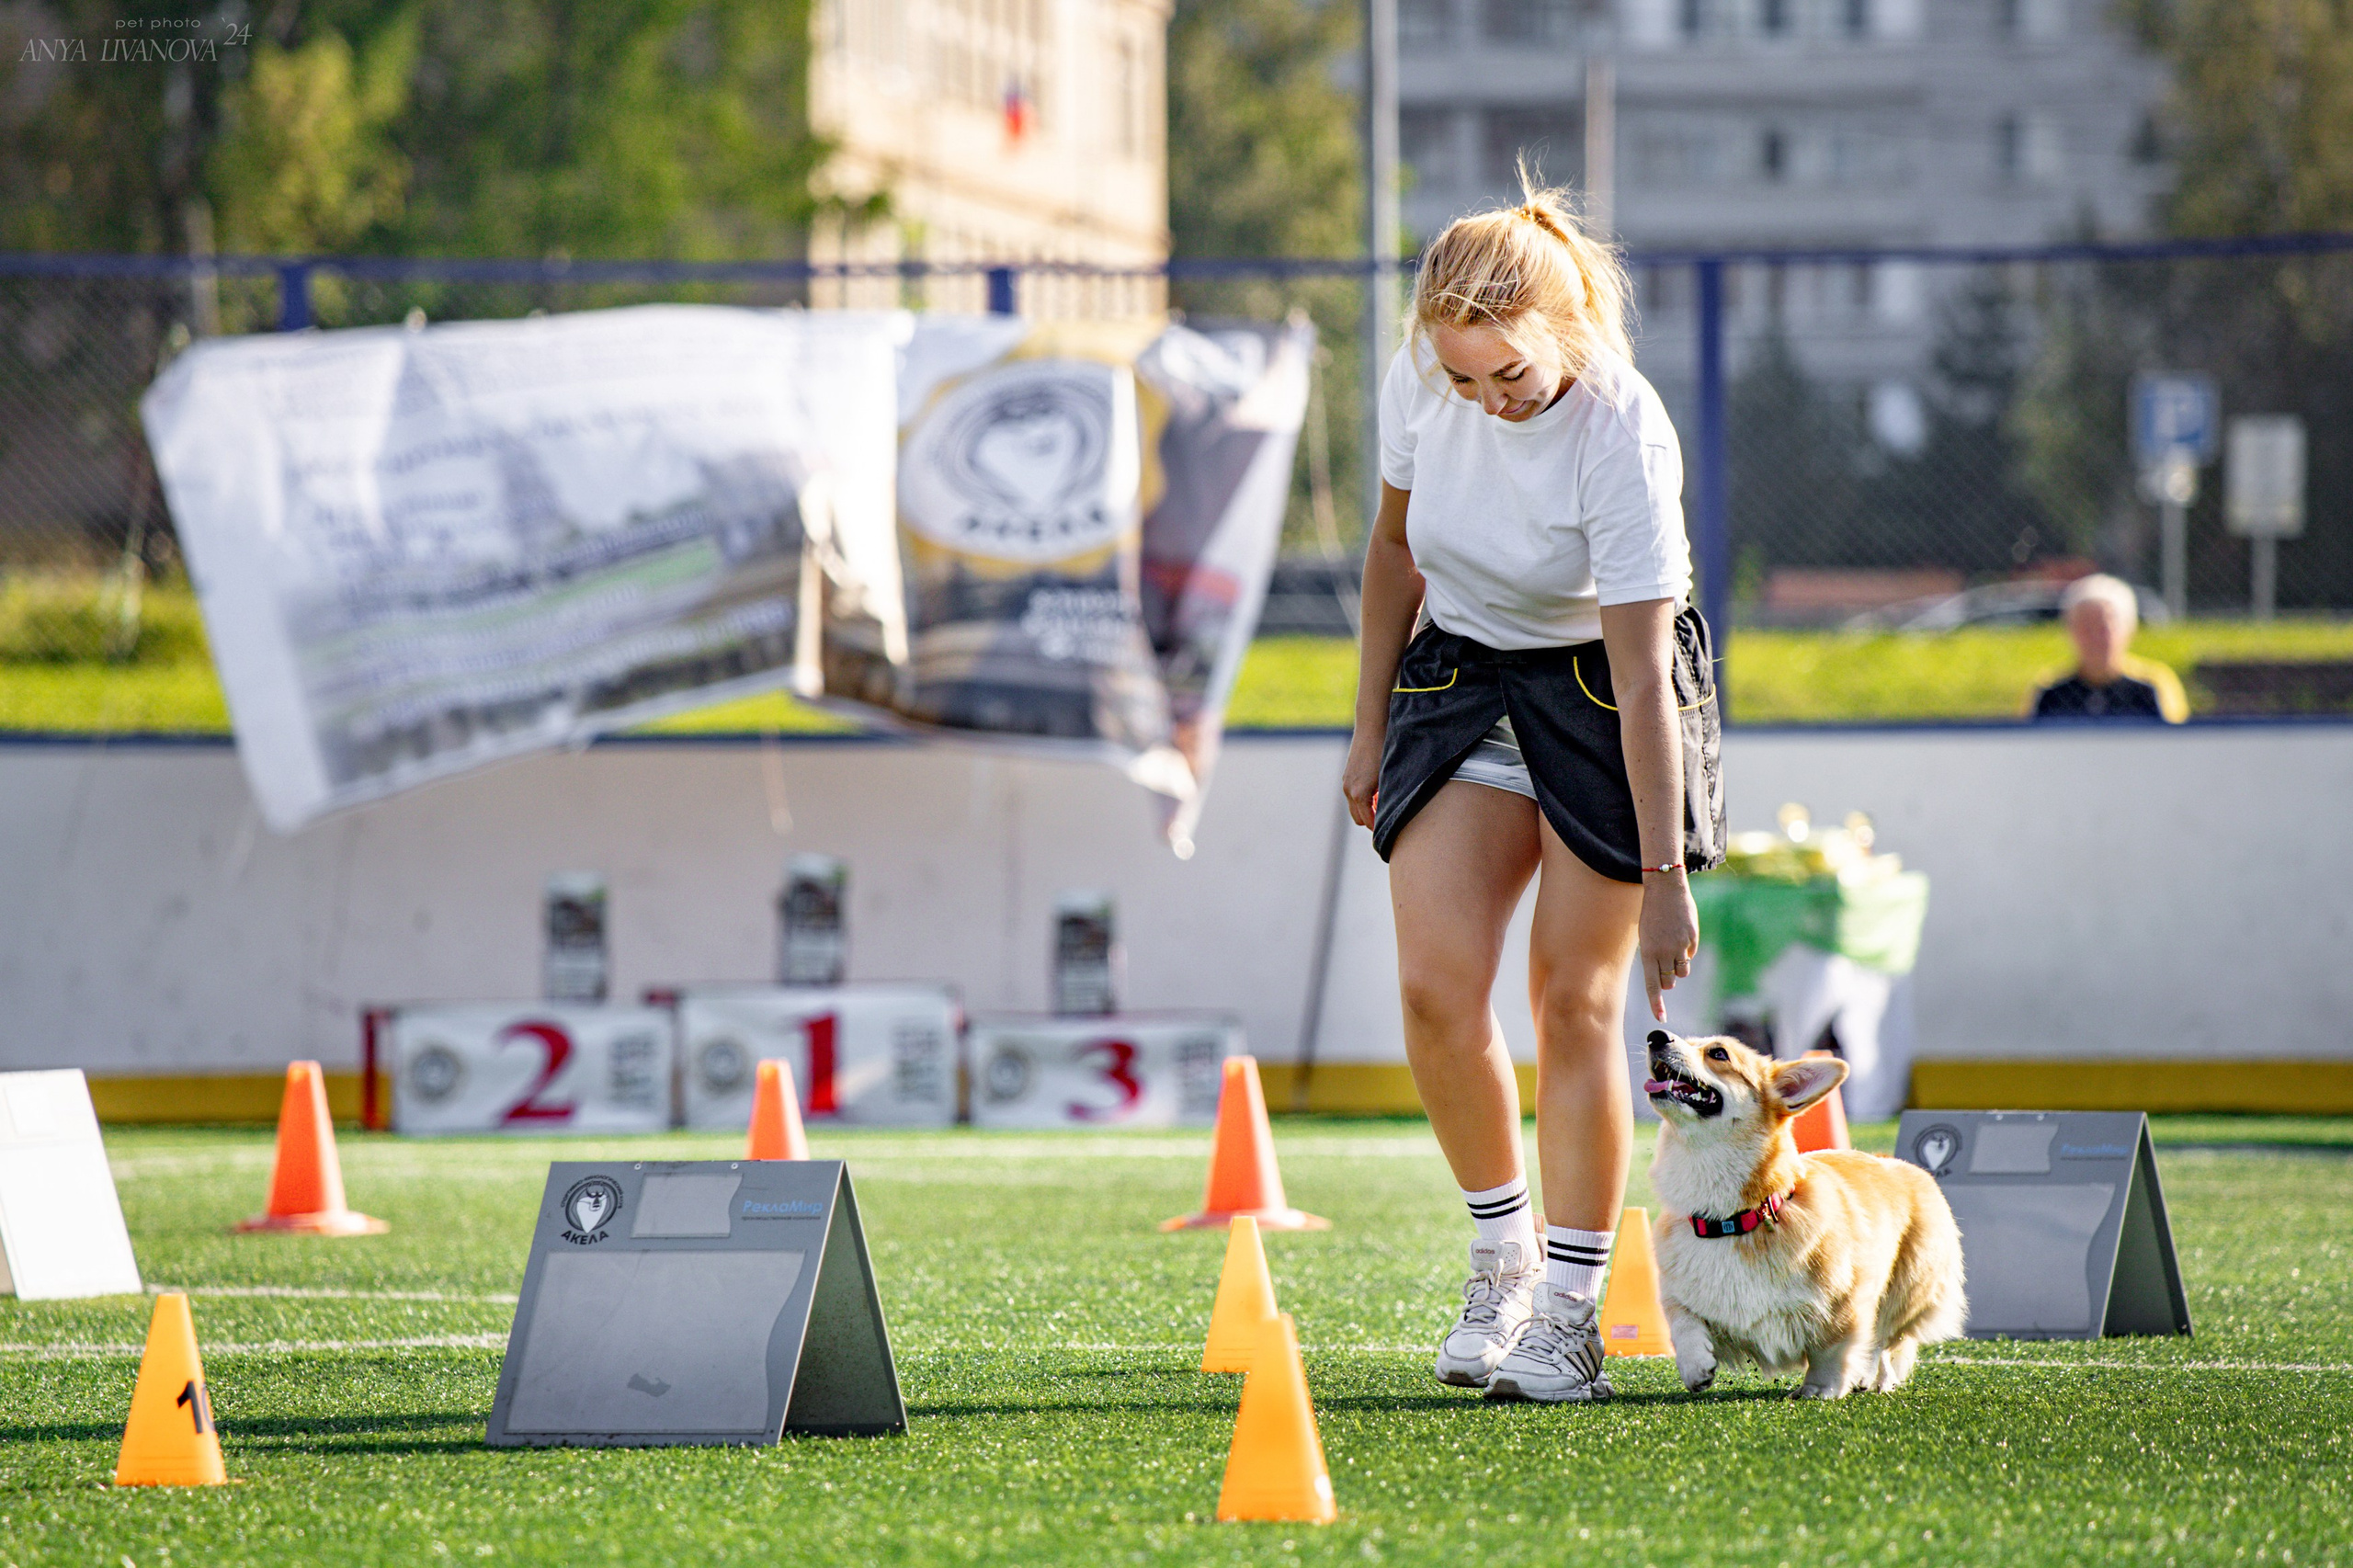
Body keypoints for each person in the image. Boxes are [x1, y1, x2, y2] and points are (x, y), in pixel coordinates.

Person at [1341, 171, 1725, 1405]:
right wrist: (1365, 731)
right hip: (1460, 675)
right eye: (1461, 378)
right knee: (1433, 987)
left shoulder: (1622, 428)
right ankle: (1500, 1254)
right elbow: (1395, 549)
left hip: (1601, 696)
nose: (1483, 400)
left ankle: (1571, 1312)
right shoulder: (1426, 374)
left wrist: (1665, 879)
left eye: (1507, 375)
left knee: (1574, 1000)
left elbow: (1640, 668)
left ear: (1564, 333)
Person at [2026, 574, 2188, 722]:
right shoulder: (2048, 690)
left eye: (2105, 628)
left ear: (2129, 628)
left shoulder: (2153, 685)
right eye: (2085, 627)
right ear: (2069, 631)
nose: (2095, 638)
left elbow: (2175, 742)